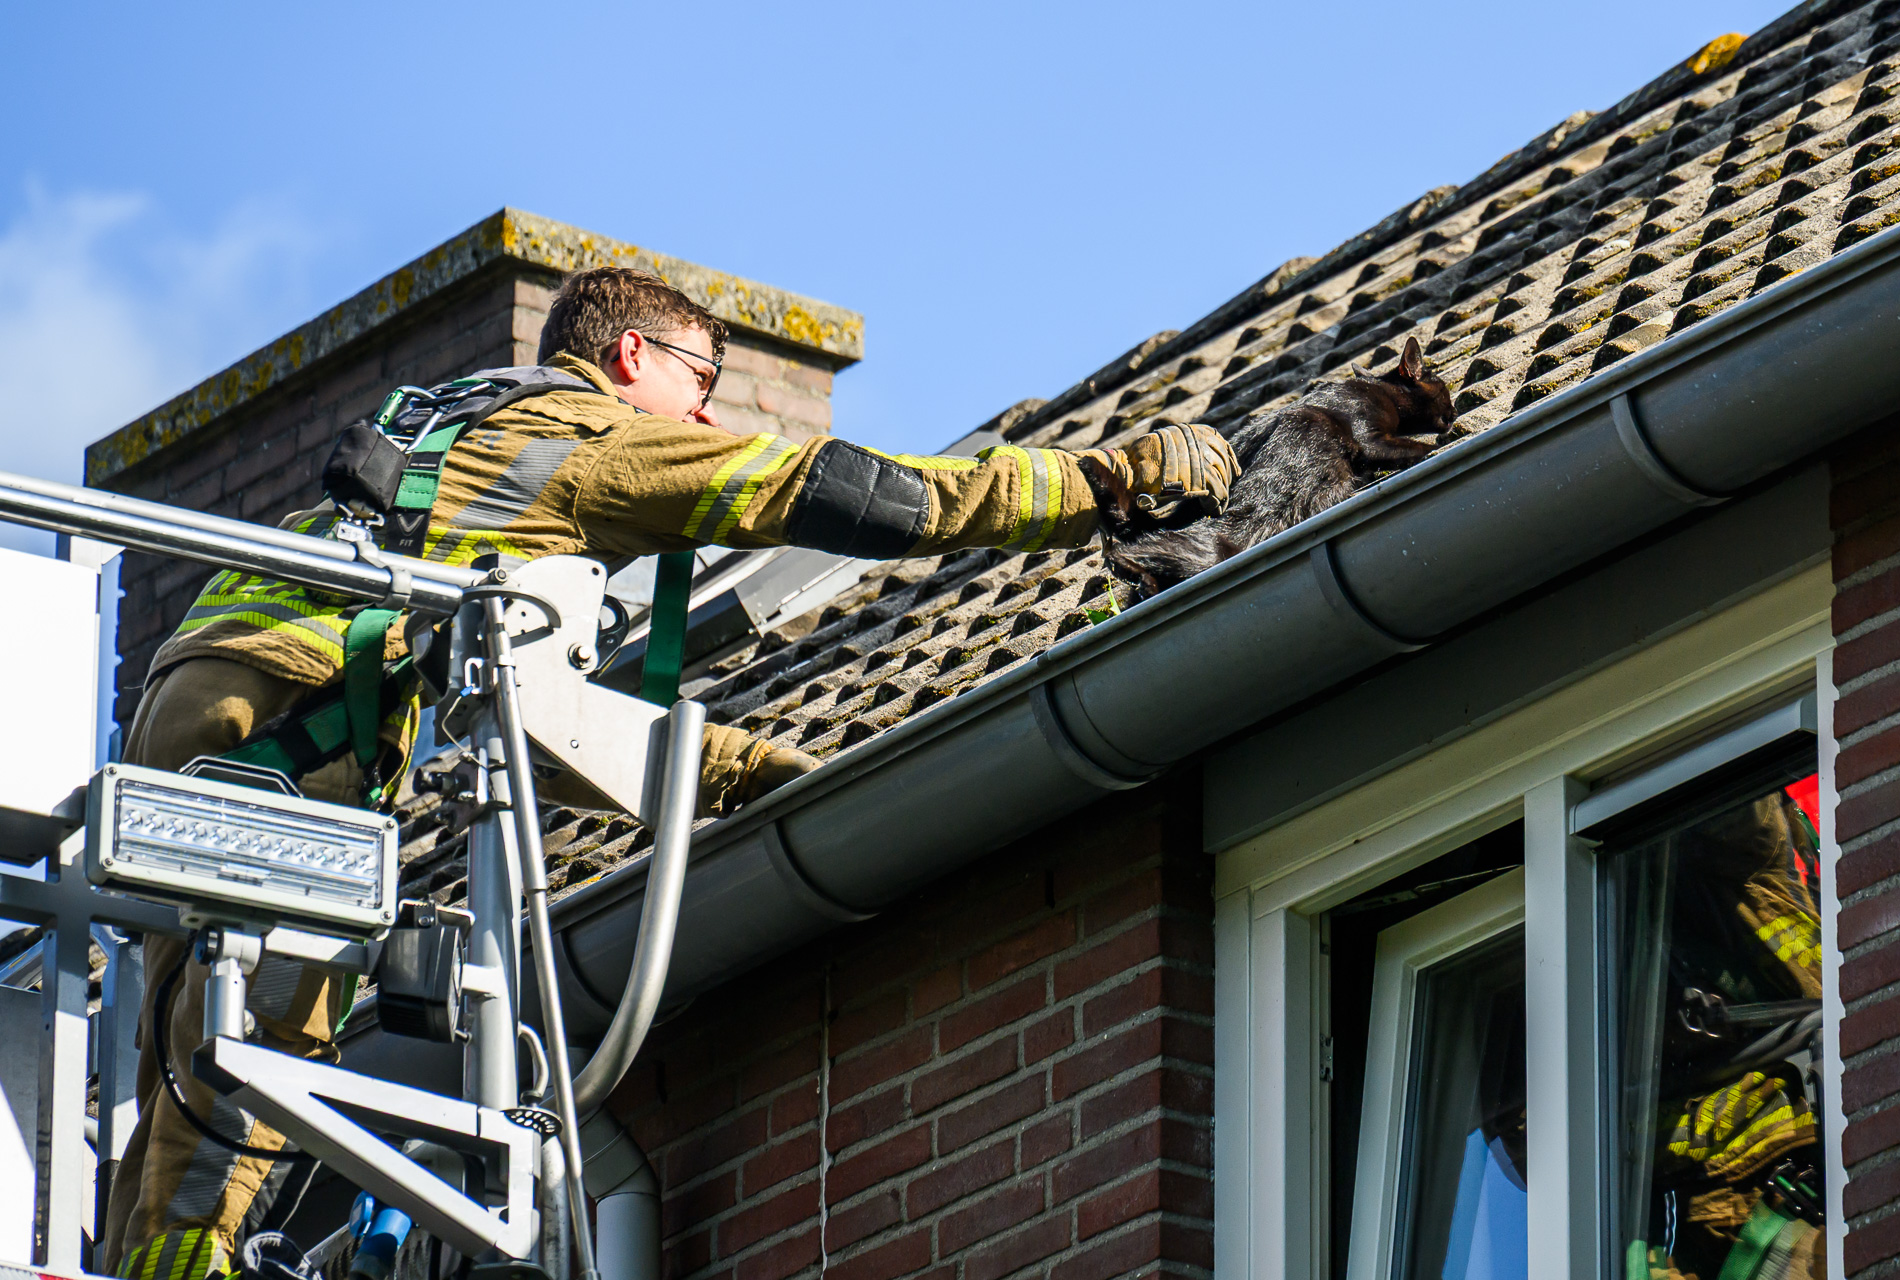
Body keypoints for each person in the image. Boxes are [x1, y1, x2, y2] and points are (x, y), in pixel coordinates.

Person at [100, 265, 1240, 1279]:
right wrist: (1116, 476)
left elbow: (518, 707)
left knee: (184, 1090)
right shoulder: (597, 436)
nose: (708, 408)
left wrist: (739, 768)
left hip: (203, 705)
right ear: (630, 354)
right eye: (701, 377)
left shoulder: (473, 427)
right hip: (298, 729)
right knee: (248, 1096)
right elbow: (874, 497)